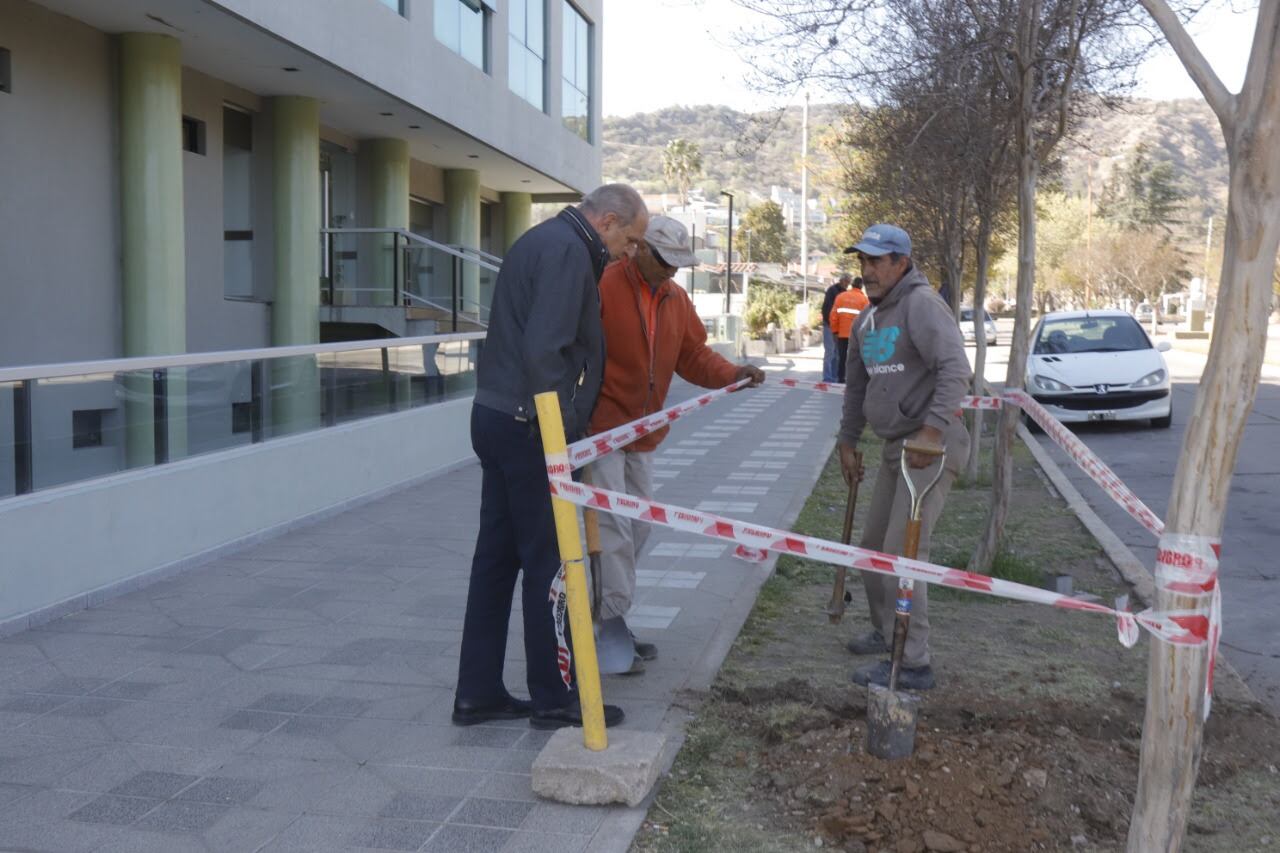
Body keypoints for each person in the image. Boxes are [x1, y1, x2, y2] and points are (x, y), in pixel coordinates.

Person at [453, 184, 650, 730]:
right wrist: (561, 437)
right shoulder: (568, 251)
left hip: (497, 416)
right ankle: (555, 696)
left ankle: (478, 692)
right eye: (631, 241)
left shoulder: (543, 239)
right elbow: (547, 352)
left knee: (495, 561)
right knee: (552, 564)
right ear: (607, 221)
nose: (630, 253)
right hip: (527, 424)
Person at [588, 215, 766, 674]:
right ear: (638, 249)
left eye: (677, 265)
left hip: (643, 433)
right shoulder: (604, 285)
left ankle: (610, 616)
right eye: (665, 262)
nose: (671, 271)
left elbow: (692, 354)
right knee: (611, 531)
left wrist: (732, 373)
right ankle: (607, 626)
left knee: (640, 524)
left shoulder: (674, 298)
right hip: (601, 432)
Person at [838, 224, 971, 691]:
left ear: (901, 262)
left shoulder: (921, 305)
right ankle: (887, 630)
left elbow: (956, 369)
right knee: (874, 549)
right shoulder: (864, 321)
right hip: (897, 446)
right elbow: (857, 387)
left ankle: (913, 661)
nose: (867, 270)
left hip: (932, 443)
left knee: (903, 552)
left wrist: (932, 433)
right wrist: (848, 441)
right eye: (863, 261)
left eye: (876, 261)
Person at [831, 276, 869, 383]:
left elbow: (833, 316)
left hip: (842, 333)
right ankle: (854, 379)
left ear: (852, 285)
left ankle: (841, 378)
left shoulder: (841, 297)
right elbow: (866, 319)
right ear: (861, 286)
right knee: (856, 358)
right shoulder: (864, 300)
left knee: (842, 357)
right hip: (857, 335)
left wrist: (835, 331)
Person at [820, 275, 849, 382]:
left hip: (839, 327)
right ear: (841, 280)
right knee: (830, 351)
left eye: (849, 282)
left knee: (837, 352)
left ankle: (835, 376)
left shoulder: (845, 293)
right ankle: (827, 377)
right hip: (830, 326)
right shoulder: (832, 291)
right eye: (846, 281)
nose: (847, 284)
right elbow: (826, 308)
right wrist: (830, 324)